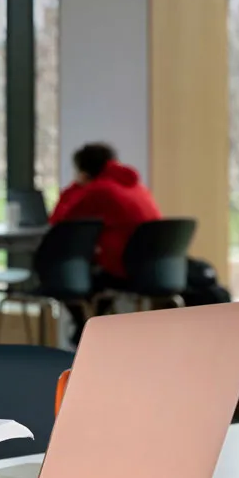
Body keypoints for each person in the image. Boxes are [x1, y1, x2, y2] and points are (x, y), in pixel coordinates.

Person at [49, 142, 161, 340]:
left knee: (65, 277)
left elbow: (59, 221)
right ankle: (90, 330)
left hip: (124, 269)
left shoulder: (100, 190)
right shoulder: (137, 187)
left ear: (84, 170)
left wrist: (76, 185)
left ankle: (85, 334)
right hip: (156, 268)